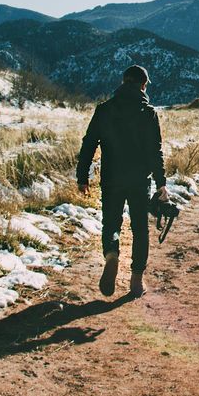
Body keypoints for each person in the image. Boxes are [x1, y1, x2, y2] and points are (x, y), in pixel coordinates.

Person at [77, 64, 168, 298]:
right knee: (139, 229)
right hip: (139, 181)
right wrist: (161, 183)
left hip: (111, 178)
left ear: (123, 82)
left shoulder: (104, 109)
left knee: (111, 224)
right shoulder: (148, 113)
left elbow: (89, 144)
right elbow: (155, 152)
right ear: (143, 85)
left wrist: (82, 177)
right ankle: (136, 280)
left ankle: (111, 255)